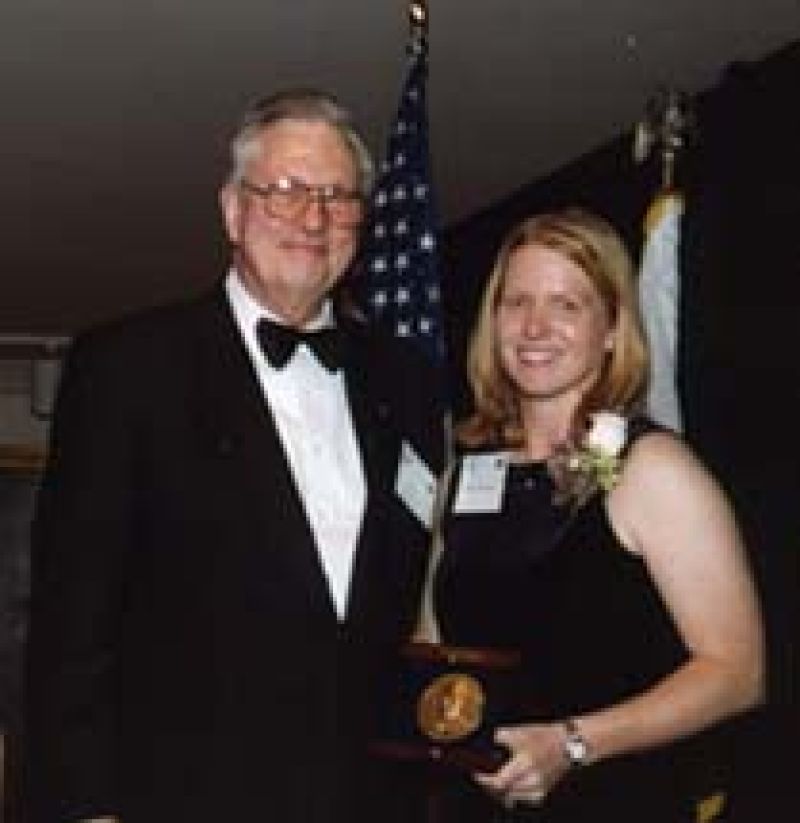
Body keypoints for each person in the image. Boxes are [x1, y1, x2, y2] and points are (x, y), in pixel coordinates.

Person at [25, 89, 444, 823]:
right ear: (231, 209)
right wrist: (83, 805)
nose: (312, 218)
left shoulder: (407, 382)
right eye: (284, 191)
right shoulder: (129, 367)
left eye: (337, 196)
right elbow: (69, 624)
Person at [431, 209, 764, 821]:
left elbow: (738, 672)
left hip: (619, 800)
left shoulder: (652, 469)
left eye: (567, 305)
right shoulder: (467, 471)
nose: (535, 326)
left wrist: (573, 745)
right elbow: (444, 644)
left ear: (611, 328)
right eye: (517, 302)